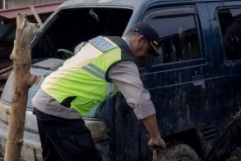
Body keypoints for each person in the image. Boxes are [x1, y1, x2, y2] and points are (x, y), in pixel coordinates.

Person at [32, 22, 166, 160]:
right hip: (59, 107)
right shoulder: (122, 58)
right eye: (147, 50)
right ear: (140, 40)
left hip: (44, 97)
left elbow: (79, 50)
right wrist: (155, 136)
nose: (144, 56)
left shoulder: (101, 41)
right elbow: (140, 99)